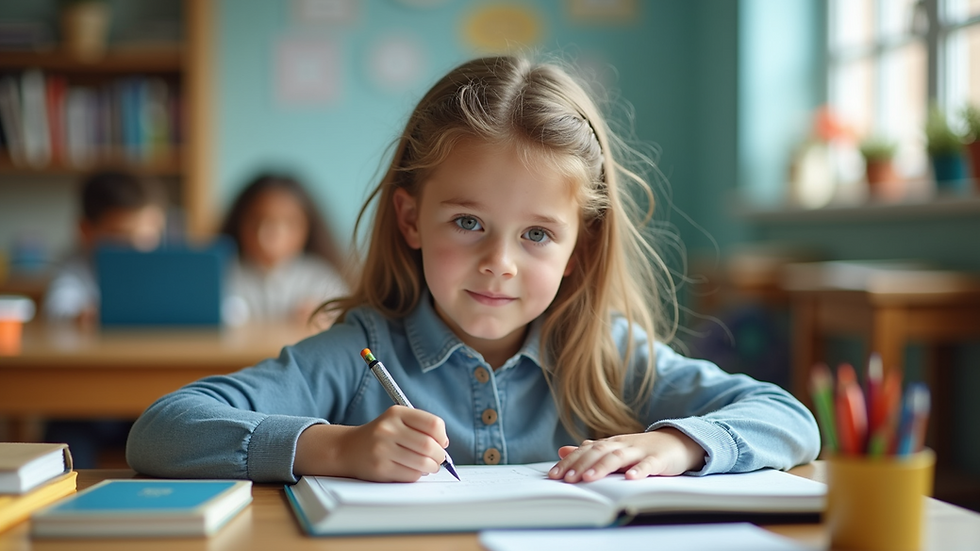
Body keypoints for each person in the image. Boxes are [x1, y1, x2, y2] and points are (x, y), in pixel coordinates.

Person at [127, 56, 819, 484]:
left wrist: (676, 444)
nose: (499, 262)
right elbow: (163, 429)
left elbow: (788, 418)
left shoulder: (607, 354)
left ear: (578, 249)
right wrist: (334, 448)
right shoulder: (358, 353)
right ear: (410, 220)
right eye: (467, 222)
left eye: (539, 234)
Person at [219, 173, 349, 324]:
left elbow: (345, 319)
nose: (270, 234)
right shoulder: (224, 274)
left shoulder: (321, 279)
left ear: (308, 227)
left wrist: (322, 316)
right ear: (239, 222)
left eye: (289, 223)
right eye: (257, 221)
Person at [43, 170, 166, 323]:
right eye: (122, 237)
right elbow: (59, 308)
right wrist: (83, 316)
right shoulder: (74, 269)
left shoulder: (163, 269)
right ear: (86, 231)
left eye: (148, 236)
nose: (137, 249)